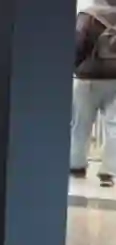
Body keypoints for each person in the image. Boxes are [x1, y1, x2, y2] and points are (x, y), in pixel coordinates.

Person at [72, 0, 116, 186]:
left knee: (80, 124)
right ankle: (108, 172)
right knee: (114, 127)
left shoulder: (88, 16)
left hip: (88, 78)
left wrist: (75, 67)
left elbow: (78, 44)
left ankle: (77, 166)